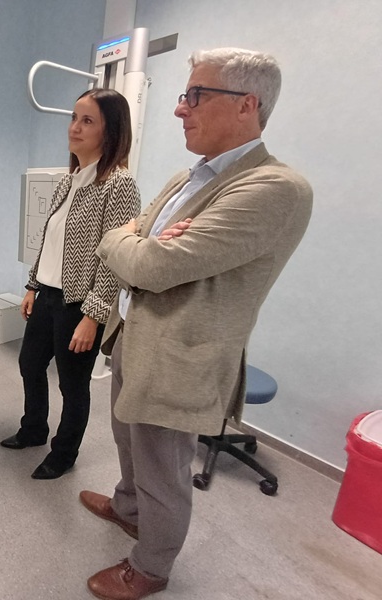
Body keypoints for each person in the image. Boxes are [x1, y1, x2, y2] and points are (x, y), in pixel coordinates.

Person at [80, 48, 313, 600]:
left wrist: (128, 242)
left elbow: (149, 262)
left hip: (181, 353)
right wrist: (136, 240)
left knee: (164, 467)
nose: (180, 110)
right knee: (128, 443)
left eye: (194, 96)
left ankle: (152, 566)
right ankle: (128, 508)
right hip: (135, 336)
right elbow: (137, 235)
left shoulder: (273, 189)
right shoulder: (190, 177)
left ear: (246, 106)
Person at [0, 88, 141, 480]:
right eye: (74, 118)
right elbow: (50, 242)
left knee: (73, 384)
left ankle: (64, 453)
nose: (74, 128)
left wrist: (94, 316)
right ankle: (34, 430)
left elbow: (116, 257)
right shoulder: (70, 181)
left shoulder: (118, 185)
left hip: (80, 303)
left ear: (110, 131)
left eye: (87, 121)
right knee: (30, 363)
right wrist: (32, 285)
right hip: (47, 294)